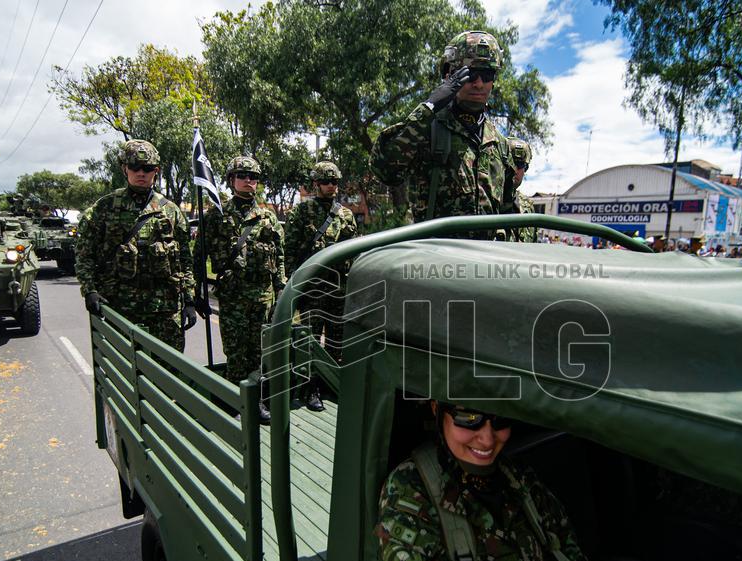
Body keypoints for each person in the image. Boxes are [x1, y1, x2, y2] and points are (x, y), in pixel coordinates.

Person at [375, 402, 645, 561]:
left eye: (500, 418)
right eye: (469, 418)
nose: (487, 439)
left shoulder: (517, 480)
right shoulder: (409, 495)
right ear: (437, 409)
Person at [370, 31, 518, 233]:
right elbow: (384, 169)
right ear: (450, 75)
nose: (479, 83)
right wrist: (430, 106)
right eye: (471, 74)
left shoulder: (499, 143)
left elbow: (508, 213)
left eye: (487, 75)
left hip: (485, 260)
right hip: (437, 258)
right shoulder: (427, 127)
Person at [75, 139, 197, 351]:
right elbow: (84, 254)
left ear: (156, 171)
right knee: (125, 372)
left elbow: (184, 260)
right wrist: (90, 290)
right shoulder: (104, 208)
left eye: (148, 169)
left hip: (165, 309)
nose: (141, 173)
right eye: (135, 167)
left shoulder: (171, 211)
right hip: (121, 307)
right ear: (125, 169)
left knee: (168, 371)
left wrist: (189, 299)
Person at [203, 156, 286, 424]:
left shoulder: (268, 216)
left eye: (253, 177)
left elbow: (280, 255)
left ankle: (258, 401)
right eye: (243, 176)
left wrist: (281, 289)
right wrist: (196, 293)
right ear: (231, 180)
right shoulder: (217, 214)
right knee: (235, 352)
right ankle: (235, 401)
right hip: (233, 297)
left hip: (262, 295)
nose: (249, 181)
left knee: (259, 352)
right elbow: (198, 254)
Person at [284, 160, 357, 411]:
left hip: (339, 289)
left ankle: (330, 384)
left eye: (334, 181)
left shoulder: (346, 214)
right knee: (310, 340)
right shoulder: (302, 212)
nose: (331, 186)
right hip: (313, 289)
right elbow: (290, 250)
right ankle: (310, 388)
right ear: (315, 184)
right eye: (326, 181)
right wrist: (291, 286)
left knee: (337, 341)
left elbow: (354, 252)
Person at [506, 137, 538, 243]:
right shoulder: (484, 200)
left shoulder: (528, 208)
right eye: (509, 162)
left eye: (520, 165)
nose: (514, 169)